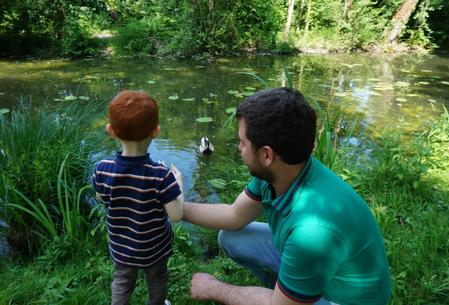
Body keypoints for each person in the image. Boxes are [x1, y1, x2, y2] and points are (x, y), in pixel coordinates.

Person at [183, 87, 392, 305]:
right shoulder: (281, 171)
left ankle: (290, 294)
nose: (239, 148)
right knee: (231, 237)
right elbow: (234, 215)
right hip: (320, 263)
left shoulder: (311, 232)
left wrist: (213, 288)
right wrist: (178, 208)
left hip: (344, 299)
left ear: (266, 155)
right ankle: (289, 288)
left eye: (243, 143)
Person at [92, 90, 184, 305]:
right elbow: (177, 215)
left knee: (122, 282)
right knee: (157, 280)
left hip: (122, 247)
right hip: (154, 249)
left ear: (110, 130)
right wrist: (178, 182)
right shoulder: (161, 174)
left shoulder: (102, 169)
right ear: (156, 131)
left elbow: (101, 197)